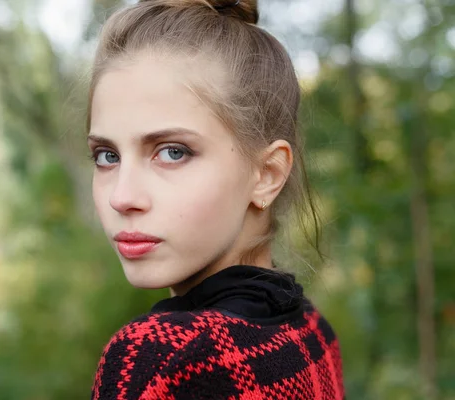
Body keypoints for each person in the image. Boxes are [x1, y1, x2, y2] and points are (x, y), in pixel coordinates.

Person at [86, 0, 345, 398]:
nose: (122, 197)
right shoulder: (313, 330)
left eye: (173, 152)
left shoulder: (159, 357)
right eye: (107, 156)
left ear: (267, 174)